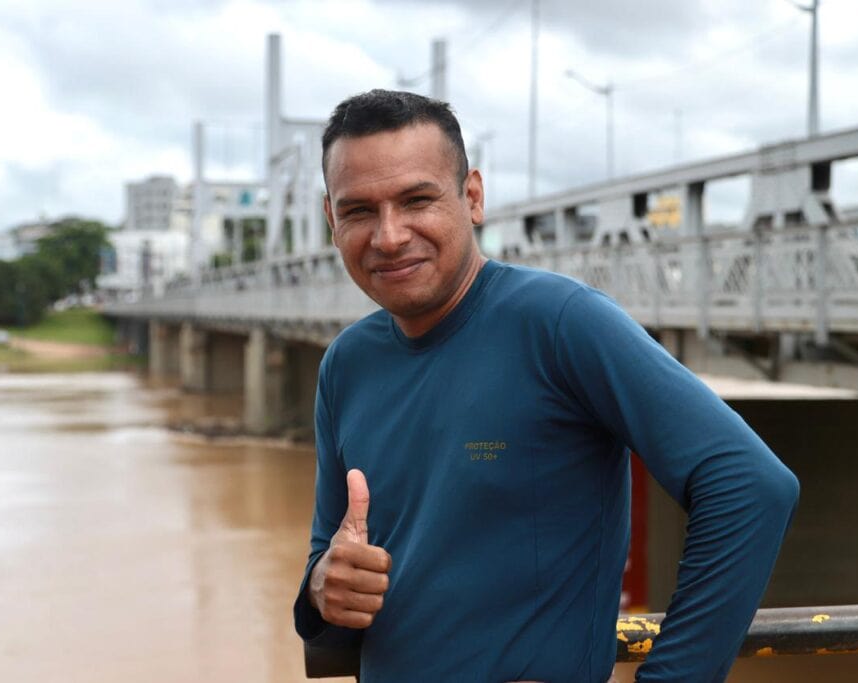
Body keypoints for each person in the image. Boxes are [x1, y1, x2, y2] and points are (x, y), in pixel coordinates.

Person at [293, 89, 800, 682]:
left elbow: (749, 487)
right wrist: (324, 589)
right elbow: (327, 567)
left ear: (472, 197)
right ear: (331, 220)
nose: (389, 236)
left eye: (416, 200)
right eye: (358, 211)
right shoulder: (346, 363)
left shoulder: (559, 323)